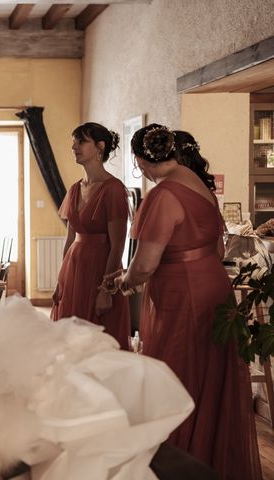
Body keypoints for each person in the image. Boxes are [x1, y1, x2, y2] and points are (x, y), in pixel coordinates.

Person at [106, 124, 261, 479]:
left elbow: (144, 266)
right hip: (213, 288)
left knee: (175, 376)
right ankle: (206, 457)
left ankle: (176, 462)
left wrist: (124, 283)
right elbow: (217, 249)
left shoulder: (164, 195)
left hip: (182, 297)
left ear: (141, 160)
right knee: (207, 375)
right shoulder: (202, 189)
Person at [50, 122, 131, 349]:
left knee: (97, 340)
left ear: (100, 147)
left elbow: (118, 245)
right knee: (70, 340)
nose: (74, 146)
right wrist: (61, 281)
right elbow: (69, 238)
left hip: (100, 270)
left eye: (81, 141)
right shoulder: (75, 188)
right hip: (74, 269)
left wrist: (106, 290)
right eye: (74, 142)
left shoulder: (113, 189)